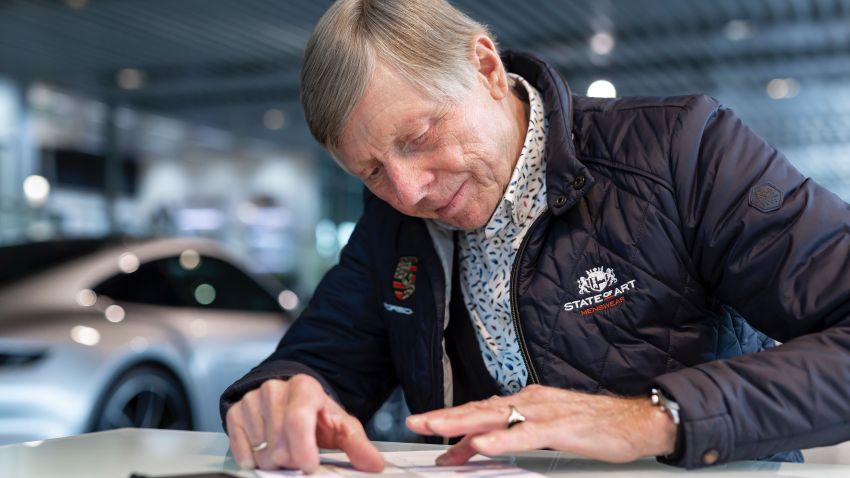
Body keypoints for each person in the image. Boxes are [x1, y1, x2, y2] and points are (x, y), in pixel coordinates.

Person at [220, 0, 850, 473]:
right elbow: (321, 358)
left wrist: (655, 418)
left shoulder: (682, 149)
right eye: (373, 170)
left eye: (418, 139)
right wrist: (278, 396)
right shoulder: (396, 223)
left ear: (486, 68)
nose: (409, 191)